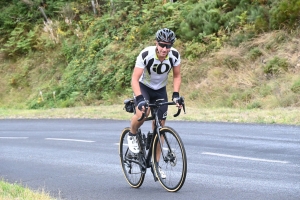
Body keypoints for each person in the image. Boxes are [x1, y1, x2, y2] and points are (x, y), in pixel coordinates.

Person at [127, 28, 182, 157]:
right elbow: (134, 79)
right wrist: (140, 98)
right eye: (162, 45)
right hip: (144, 87)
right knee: (143, 113)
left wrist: (176, 95)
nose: (164, 49)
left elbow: (177, 76)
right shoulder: (146, 54)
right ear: (156, 43)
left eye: (168, 46)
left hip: (160, 90)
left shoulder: (175, 56)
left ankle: (156, 165)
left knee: (161, 127)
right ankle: (132, 133)